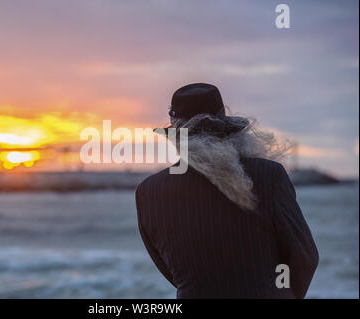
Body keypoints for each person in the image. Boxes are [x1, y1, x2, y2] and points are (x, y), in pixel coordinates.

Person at [135, 83, 319, 298]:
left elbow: (172, 272)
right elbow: (304, 258)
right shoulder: (269, 175)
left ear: (175, 132)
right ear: (226, 126)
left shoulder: (148, 191)